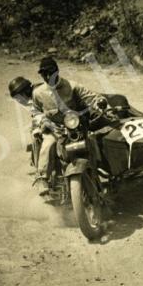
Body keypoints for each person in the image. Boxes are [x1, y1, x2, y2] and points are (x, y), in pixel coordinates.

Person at [31, 56, 112, 195]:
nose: (48, 76)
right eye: (44, 73)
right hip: (54, 129)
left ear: (57, 71)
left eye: (51, 71)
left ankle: (99, 173)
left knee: (92, 140)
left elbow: (91, 97)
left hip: (76, 127)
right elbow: (35, 112)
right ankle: (42, 178)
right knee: (49, 143)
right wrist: (43, 121)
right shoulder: (38, 93)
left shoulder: (72, 85)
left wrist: (100, 102)